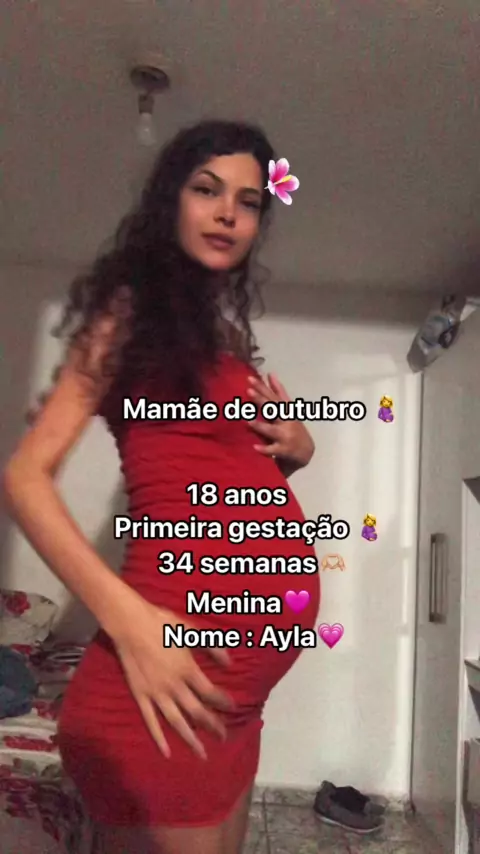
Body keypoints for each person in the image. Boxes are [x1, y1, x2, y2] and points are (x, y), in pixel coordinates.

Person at [3, 120, 320, 854]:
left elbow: (216, 482)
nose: (227, 212)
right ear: (169, 200)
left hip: (236, 703)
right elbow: (24, 475)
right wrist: (132, 622)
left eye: (248, 200)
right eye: (207, 189)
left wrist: (295, 453)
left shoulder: (218, 341)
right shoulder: (127, 311)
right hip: (166, 693)